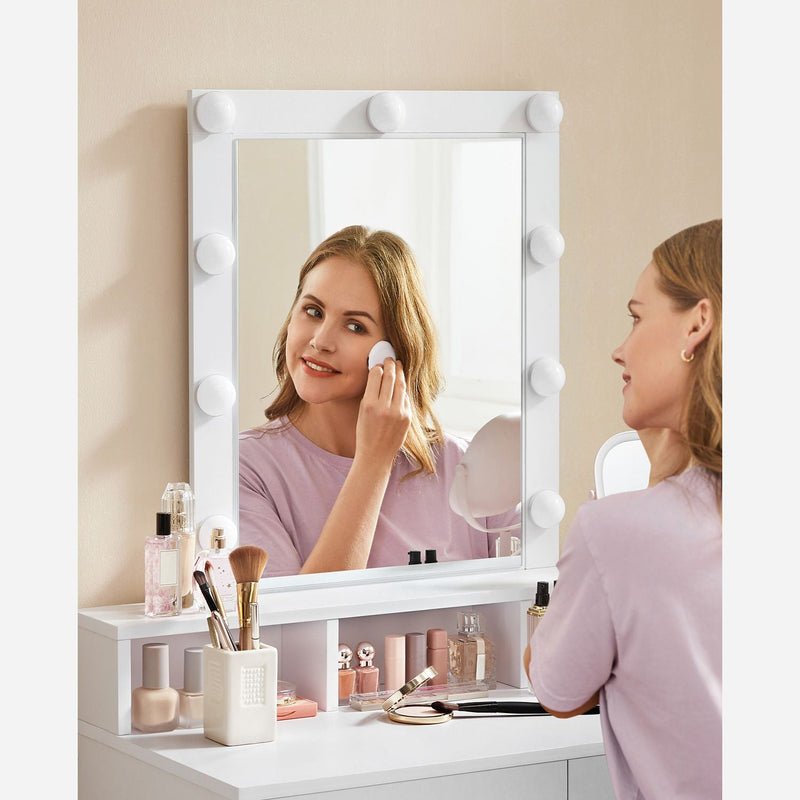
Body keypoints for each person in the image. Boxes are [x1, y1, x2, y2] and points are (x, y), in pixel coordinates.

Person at [525, 219, 722, 799]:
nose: (620, 349)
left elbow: (558, 691)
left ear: (697, 324)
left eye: (637, 317)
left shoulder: (618, 532)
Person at [239, 225, 519, 577]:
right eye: (313, 311)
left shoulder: (467, 470)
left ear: (393, 352)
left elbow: (539, 603)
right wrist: (373, 462)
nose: (321, 340)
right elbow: (295, 625)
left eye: (355, 326)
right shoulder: (245, 471)